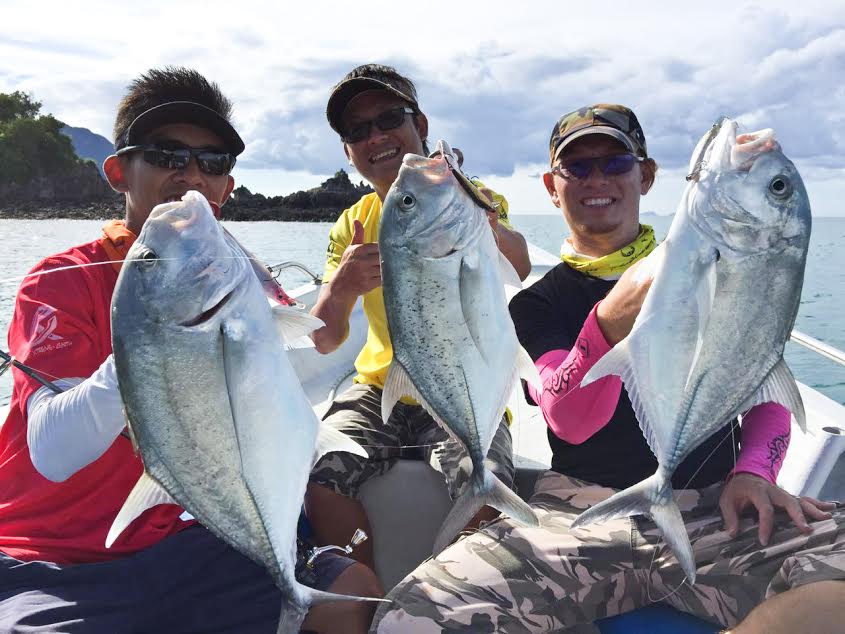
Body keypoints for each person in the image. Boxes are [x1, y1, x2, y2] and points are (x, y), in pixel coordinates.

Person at [369, 104, 845, 633]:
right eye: (578, 168)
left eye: (615, 163)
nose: (597, 180)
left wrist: (755, 469)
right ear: (553, 186)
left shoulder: (714, 261)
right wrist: (606, 325)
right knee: (412, 616)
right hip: (573, 516)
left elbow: (759, 372)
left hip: (716, 509)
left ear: (645, 176)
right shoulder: (535, 306)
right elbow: (568, 418)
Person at [0, 66, 381, 634]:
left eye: (213, 162)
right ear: (118, 171)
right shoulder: (61, 281)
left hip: (201, 533)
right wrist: (152, 345)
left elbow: (312, 337)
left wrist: (342, 290)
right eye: (167, 155)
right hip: (59, 555)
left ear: (227, 185)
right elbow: (54, 452)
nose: (191, 175)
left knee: (352, 595)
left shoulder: (231, 270)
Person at [306, 63, 532, 569]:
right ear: (348, 151)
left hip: (463, 381)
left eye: (390, 118)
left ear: (421, 125)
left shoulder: (476, 201)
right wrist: (341, 288)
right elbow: (323, 340)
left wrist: (483, 221)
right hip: (380, 385)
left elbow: (517, 263)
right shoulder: (353, 223)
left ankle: (447, 595)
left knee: (484, 475)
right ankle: (366, 586)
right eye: (358, 130)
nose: (377, 136)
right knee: (319, 477)